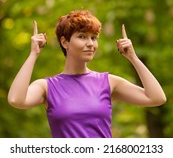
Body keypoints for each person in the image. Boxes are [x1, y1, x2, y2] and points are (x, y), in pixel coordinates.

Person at [8, 10, 166, 138]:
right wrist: (33, 54)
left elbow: (157, 98)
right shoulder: (47, 87)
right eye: (82, 37)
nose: (90, 44)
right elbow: (16, 99)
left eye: (94, 38)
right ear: (65, 42)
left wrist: (133, 57)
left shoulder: (108, 82)